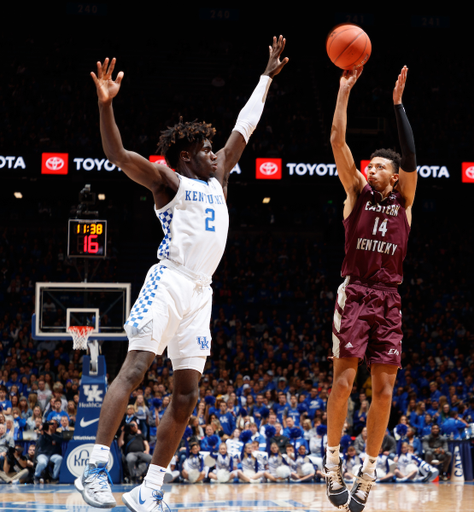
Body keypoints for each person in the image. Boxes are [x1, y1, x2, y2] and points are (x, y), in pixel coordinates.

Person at [75, 35, 288, 512]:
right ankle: (94, 469)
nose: (217, 152)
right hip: (168, 281)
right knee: (134, 368)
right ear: (188, 155)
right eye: (208, 148)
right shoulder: (169, 181)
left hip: (201, 293)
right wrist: (106, 107)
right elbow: (118, 156)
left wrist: (265, 78)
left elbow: (244, 128)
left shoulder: (220, 177)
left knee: (187, 392)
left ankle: (150, 487)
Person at [324, 65, 418, 512]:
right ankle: (333, 463)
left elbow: (413, 158)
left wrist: (398, 104)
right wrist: (344, 92)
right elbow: (338, 142)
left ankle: (367, 470)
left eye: (379, 166)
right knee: (343, 384)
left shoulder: (406, 202)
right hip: (357, 293)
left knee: (383, 393)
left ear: (394, 177)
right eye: (371, 165)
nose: (371, 168)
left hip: (390, 301)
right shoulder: (356, 194)